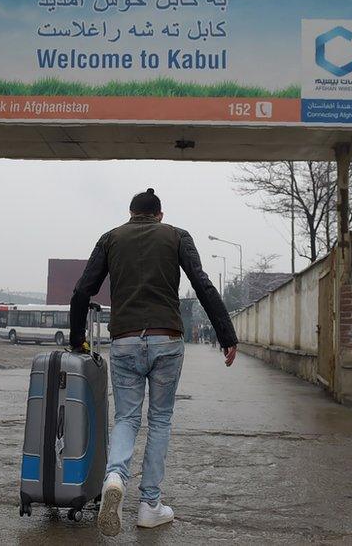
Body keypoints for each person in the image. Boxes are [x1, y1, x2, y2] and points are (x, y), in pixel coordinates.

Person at [69, 188, 238, 537]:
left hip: (125, 340)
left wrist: (77, 341)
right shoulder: (177, 236)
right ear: (160, 215)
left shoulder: (110, 238)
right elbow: (202, 284)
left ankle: (115, 477)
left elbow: (83, 290)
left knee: (127, 418)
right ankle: (149, 505)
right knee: (160, 420)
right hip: (166, 339)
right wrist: (226, 335)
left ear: (131, 213)